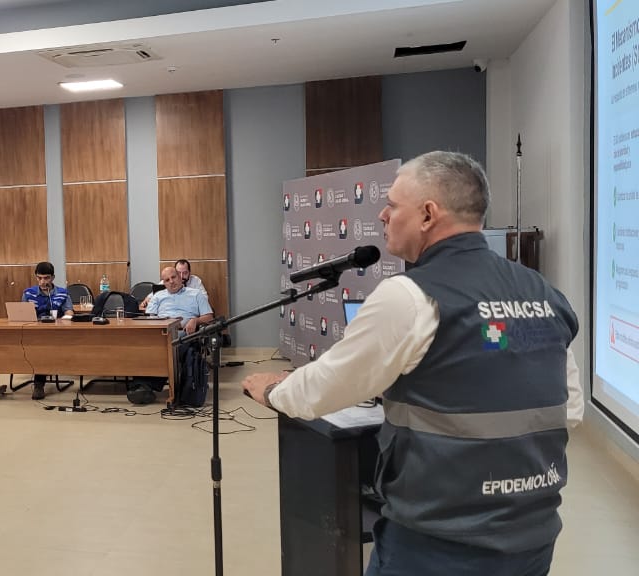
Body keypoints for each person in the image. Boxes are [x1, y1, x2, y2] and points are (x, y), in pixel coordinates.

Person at [242, 151, 581, 576]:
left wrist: (273, 389)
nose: (382, 214)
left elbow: (324, 388)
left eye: (392, 204)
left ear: (427, 214)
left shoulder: (409, 296)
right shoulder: (543, 293)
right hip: (532, 539)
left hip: (436, 544)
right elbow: (569, 409)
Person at [21, 262, 72, 400]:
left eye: (46, 278)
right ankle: (39, 384)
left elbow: (69, 311)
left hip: (57, 333)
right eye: (39, 278)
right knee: (40, 348)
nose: (43, 282)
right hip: (34, 334)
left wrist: (64, 319)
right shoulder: (28, 293)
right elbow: (22, 314)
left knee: (43, 347)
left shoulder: (62, 293)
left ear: (53, 277)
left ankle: (39, 383)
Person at [146, 267, 214, 336]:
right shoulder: (157, 296)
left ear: (179, 276)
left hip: (184, 333)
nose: (171, 281)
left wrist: (195, 321)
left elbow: (209, 317)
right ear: (164, 283)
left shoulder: (196, 294)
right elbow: (149, 319)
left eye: (173, 277)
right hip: (161, 331)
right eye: (167, 280)